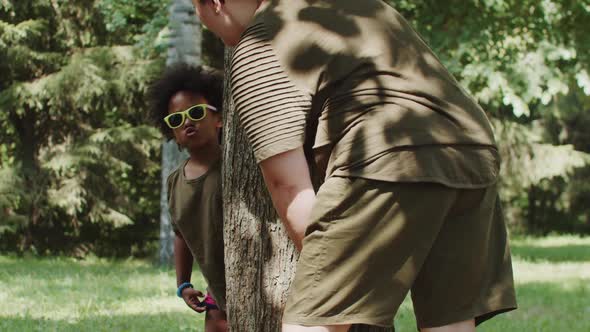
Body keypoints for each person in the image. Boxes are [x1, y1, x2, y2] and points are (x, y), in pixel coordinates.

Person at [193, 1, 517, 331]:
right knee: (449, 321)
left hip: (390, 151)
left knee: (310, 323)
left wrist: (346, 289)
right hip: (471, 147)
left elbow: (288, 188)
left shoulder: (258, 42)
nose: (199, 18)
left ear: (215, 3)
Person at [149, 63, 227, 332]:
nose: (187, 121)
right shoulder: (175, 182)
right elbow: (180, 232)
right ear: (173, 134)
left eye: (195, 112)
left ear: (219, 119)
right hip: (216, 293)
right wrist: (183, 284)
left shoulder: (235, 168)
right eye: (176, 119)